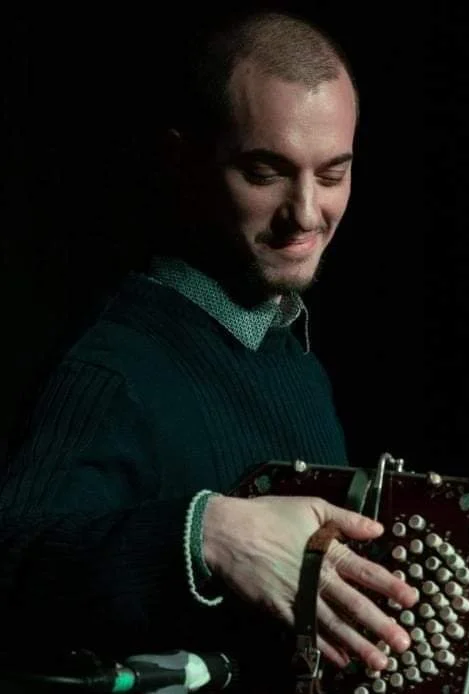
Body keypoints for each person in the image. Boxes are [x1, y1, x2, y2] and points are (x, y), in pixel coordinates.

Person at [0, 8, 416, 690]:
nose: (305, 214)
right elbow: (10, 558)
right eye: (265, 173)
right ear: (183, 162)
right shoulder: (112, 367)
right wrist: (207, 535)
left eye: (332, 174)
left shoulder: (295, 365)